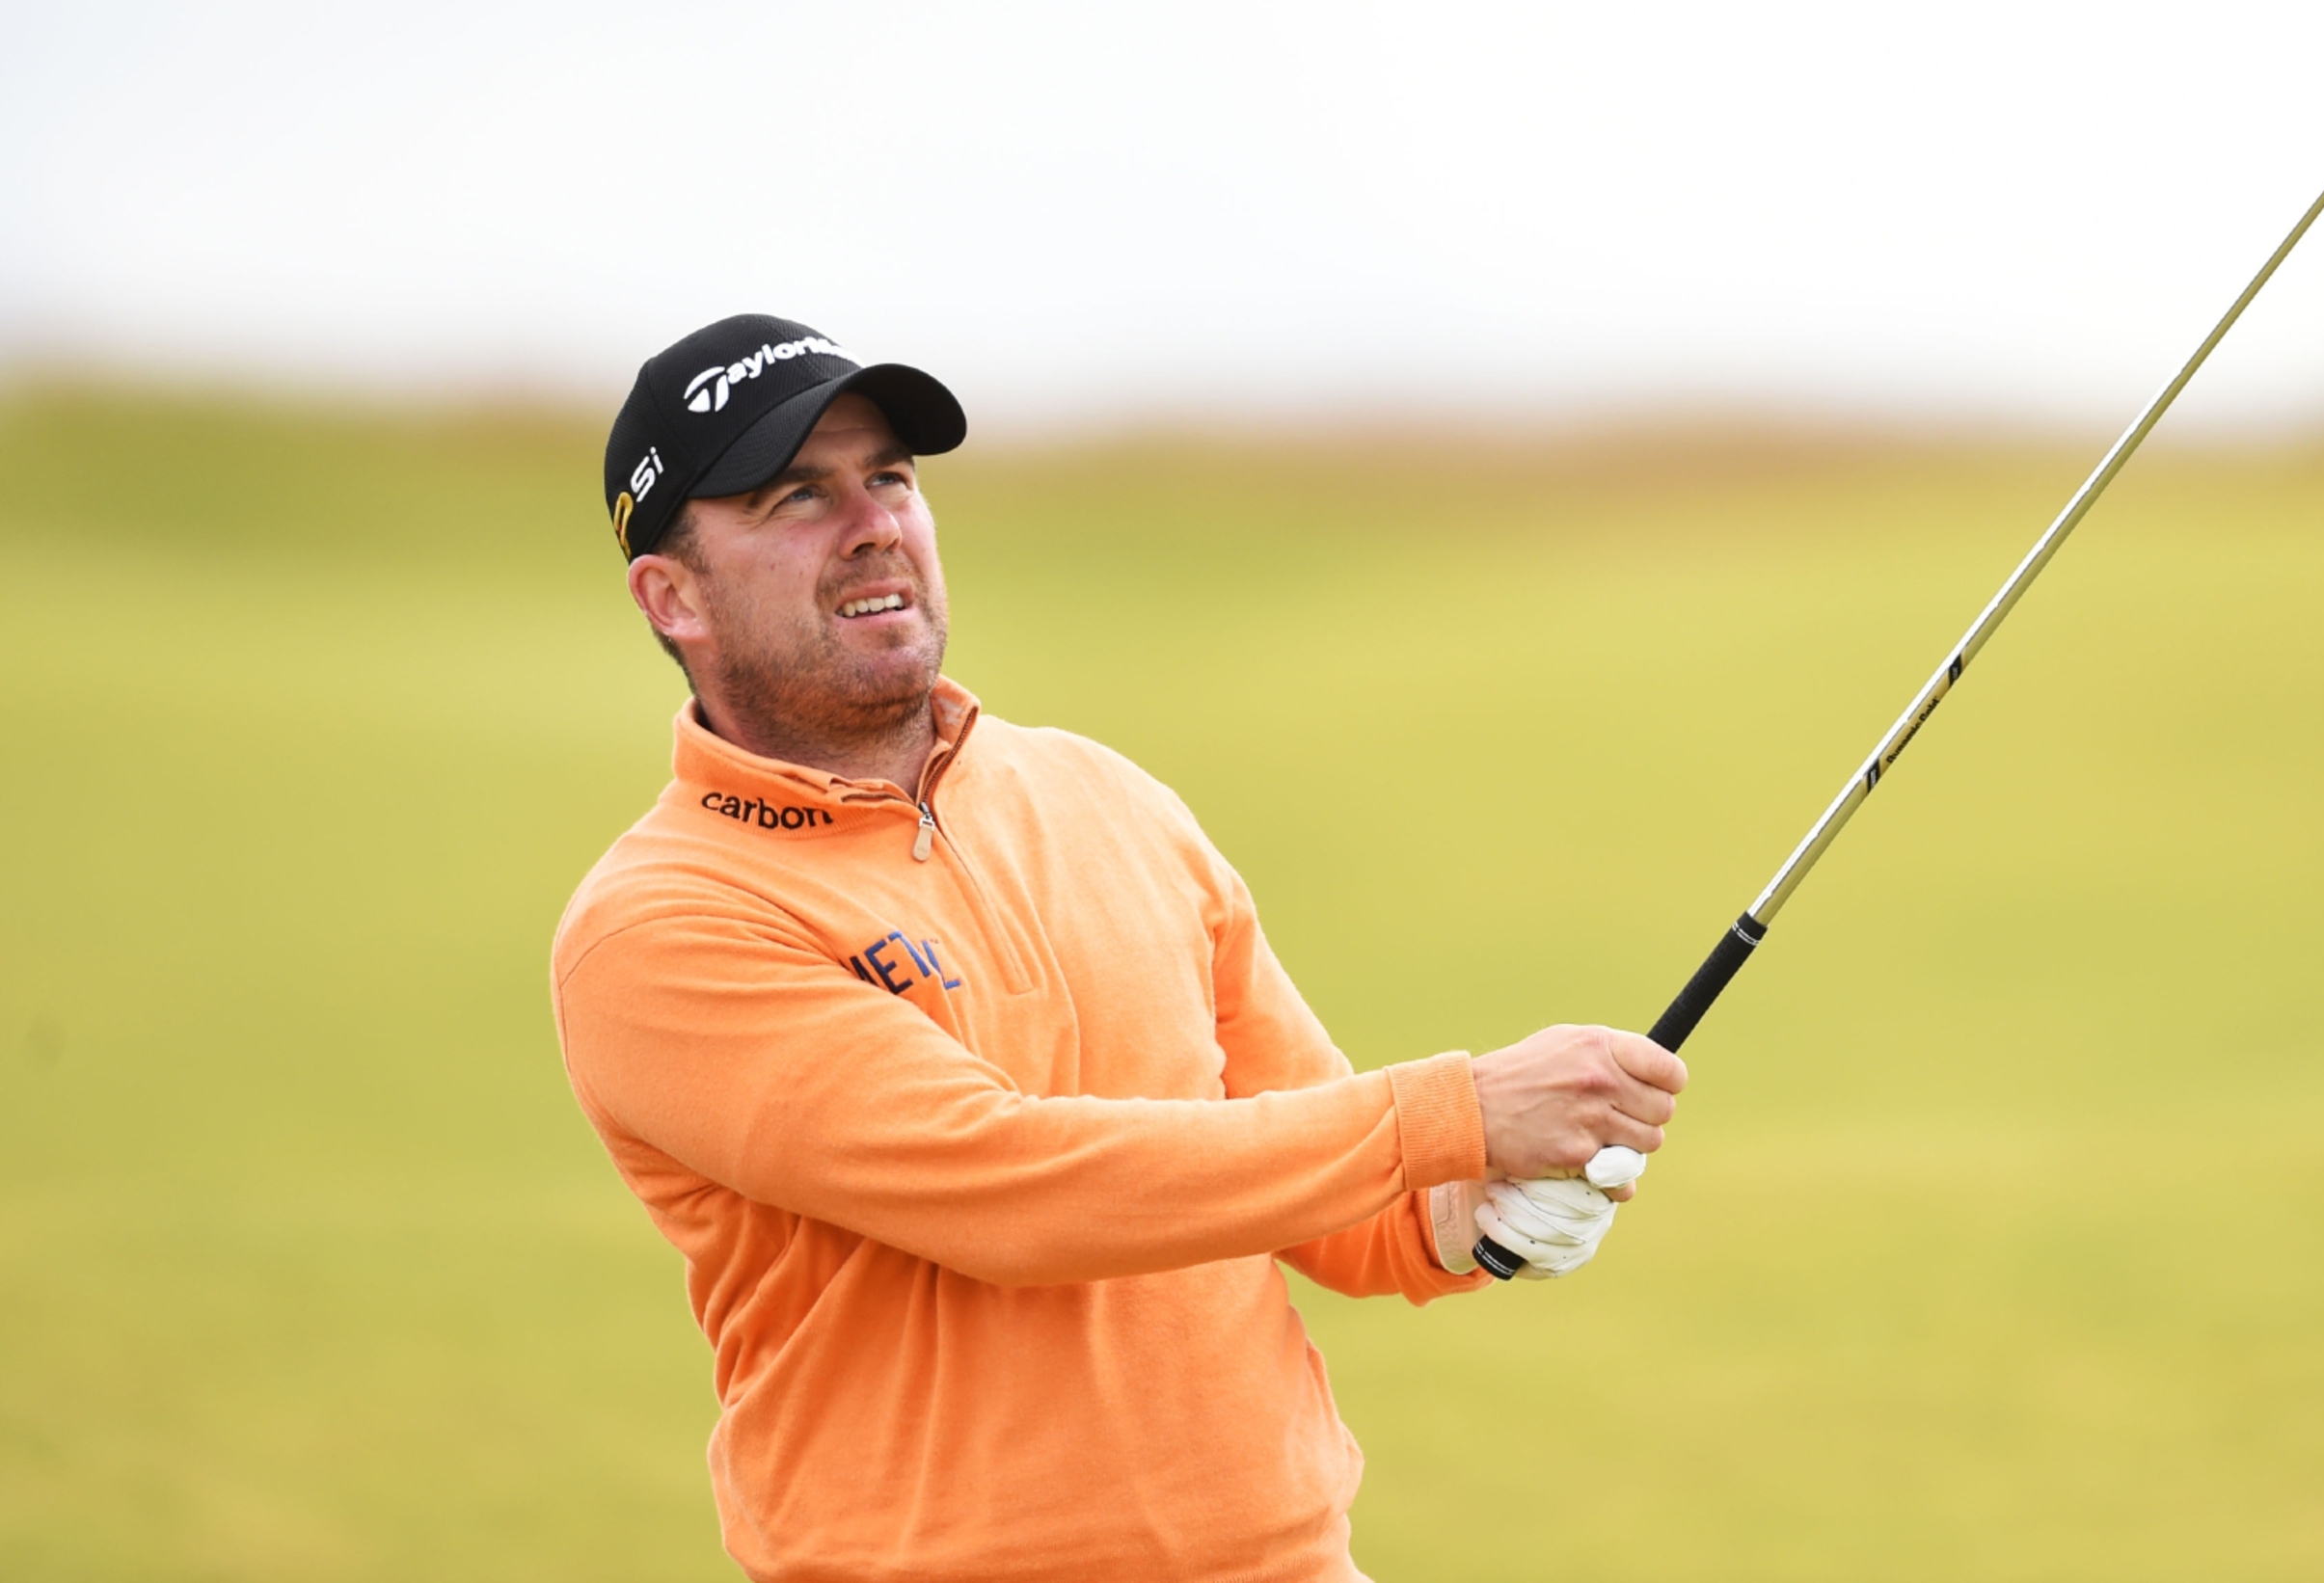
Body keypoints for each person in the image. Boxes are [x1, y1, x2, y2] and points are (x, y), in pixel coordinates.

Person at [551, 314, 1686, 1582]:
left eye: (890, 477)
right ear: (673, 594)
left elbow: (1335, 1184)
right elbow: (1013, 1189)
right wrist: (1455, 1112)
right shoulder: (663, 922)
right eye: (795, 496)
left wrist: (1475, 1209)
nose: (873, 523)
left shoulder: (1107, 797)